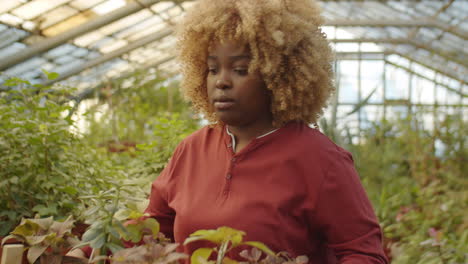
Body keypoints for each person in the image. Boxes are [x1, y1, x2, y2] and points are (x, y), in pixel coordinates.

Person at [72, 0, 388, 263]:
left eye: (240, 69)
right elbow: (153, 226)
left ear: (278, 75)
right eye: (212, 69)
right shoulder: (192, 150)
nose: (221, 81)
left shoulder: (321, 160)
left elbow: (363, 253)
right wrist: (85, 250)